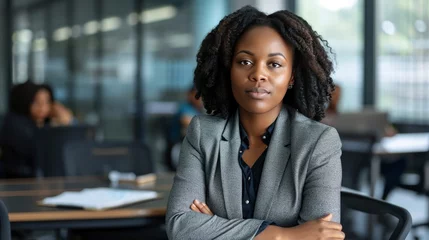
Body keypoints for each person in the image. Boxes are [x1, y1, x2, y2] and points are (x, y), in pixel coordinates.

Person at [166, 6, 344, 240]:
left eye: (274, 64)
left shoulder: (319, 142)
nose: (258, 75)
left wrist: (214, 229)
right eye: (245, 62)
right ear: (229, 69)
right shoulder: (203, 133)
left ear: (291, 76)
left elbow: (322, 237)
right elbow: (180, 226)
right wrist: (284, 236)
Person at [0, 81, 75, 178]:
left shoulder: (45, 122)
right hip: (18, 180)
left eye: (47, 102)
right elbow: (39, 149)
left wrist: (68, 121)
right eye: (36, 102)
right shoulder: (15, 124)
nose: (42, 107)